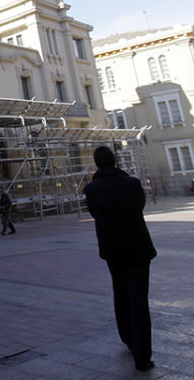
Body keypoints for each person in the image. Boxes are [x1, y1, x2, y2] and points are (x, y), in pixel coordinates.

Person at [84, 146, 157, 372]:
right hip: (137, 247)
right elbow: (140, 206)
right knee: (139, 300)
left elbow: (94, 213)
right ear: (114, 160)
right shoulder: (132, 184)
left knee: (120, 292)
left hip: (112, 249)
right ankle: (142, 356)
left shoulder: (91, 189)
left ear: (96, 163)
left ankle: (127, 337)